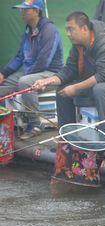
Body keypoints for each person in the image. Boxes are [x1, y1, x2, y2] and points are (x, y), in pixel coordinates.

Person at [33, 11, 105, 141]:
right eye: (67, 30)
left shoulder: (104, 44)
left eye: (71, 30)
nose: (68, 34)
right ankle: (68, 138)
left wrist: (76, 88)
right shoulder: (78, 46)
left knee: (100, 89)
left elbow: (104, 75)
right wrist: (48, 81)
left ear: (85, 29)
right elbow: (69, 70)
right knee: (62, 90)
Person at [0, 0, 63, 139]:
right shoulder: (28, 30)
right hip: (31, 72)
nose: (22, 13)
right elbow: (19, 57)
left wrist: (22, 78)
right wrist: (3, 73)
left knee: (24, 81)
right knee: (4, 84)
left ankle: (35, 123)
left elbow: (43, 62)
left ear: (36, 11)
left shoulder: (49, 30)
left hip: (51, 73)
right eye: (21, 10)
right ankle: (5, 124)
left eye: (26, 10)